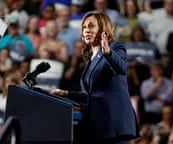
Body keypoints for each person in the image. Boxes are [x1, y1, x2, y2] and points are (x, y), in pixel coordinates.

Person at [51, 12, 139, 144]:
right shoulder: (90, 59)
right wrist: (67, 94)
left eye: (91, 26)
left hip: (114, 123)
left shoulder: (115, 47)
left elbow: (122, 68)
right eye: (84, 27)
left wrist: (109, 54)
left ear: (103, 28)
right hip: (98, 126)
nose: (86, 30)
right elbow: (93, 97)